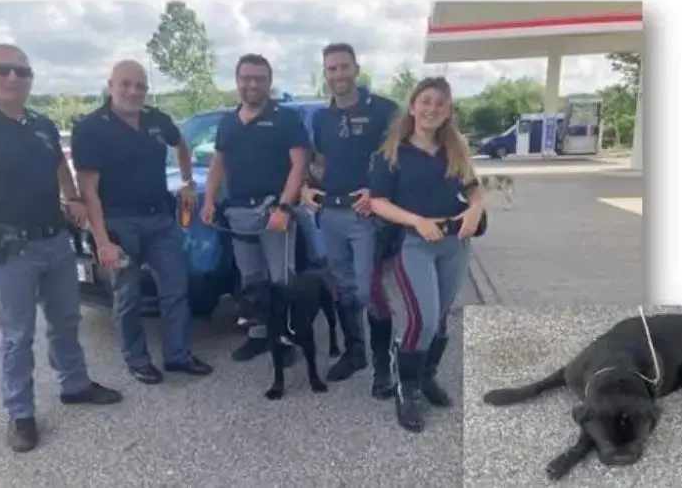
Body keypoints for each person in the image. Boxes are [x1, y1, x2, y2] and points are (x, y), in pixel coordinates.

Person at [0, 43, 123, 453]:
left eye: (22, 72)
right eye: (4, 70)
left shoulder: (41, 124)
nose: (14, 79)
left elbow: (60, 167)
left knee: (66, 320)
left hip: (54, 241)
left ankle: (74, 384)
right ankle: (20, 414)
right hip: (7, 250)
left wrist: (73, 198)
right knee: (17, 336)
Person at [72, 60, 213, 385]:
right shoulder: (91, 128)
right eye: (126, 84)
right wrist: (102, 240)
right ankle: (137, 360)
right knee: (127, 296)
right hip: (120, 224)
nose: (134, 91)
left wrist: (189, 181)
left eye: (140, 86)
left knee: (176, 288)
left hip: (160, 220)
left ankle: (178, 356)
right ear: (111, 84)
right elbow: (88, 191)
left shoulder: (155, 119)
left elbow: (181, 144)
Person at [369, 77, 485, 432]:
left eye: (440, 103)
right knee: (422, 318)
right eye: (426, 101)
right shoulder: (391, 152)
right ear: (414, 104)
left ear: (449, 110)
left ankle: (425, 376)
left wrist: (476, 210)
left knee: (441, 317)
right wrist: (417, 221)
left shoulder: (456, 148)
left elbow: (473, 187)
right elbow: (378, 202)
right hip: (415, 243)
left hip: (455, 242)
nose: (432, 109)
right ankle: (407, 389)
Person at [302, 43, 401, 397]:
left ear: (356, 69)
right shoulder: (320, 117)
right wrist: (304, 187)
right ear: (325, 73)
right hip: (330, 213)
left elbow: (400, 157)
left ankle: (383, 365)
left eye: (344, 67)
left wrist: (377, 192)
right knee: (342, 287)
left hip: (366, 215)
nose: (338, 75)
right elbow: (319, 164)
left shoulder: (385, 111)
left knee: (369, 290)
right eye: (331, 69)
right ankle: (355, 352)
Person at [200, 54, 309, 364]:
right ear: (237, 81)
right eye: (246, 78)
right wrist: (209, 201)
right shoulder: (227, 122)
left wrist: (285, 207)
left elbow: (299, 165)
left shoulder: (286, 119)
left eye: (259, 78)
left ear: (269, 82)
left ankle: (284, 338)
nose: (252, 84)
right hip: (238, 214)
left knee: (281, 279)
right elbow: (217, 165)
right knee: (250, 279)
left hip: (274, 212)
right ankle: (258, 335)